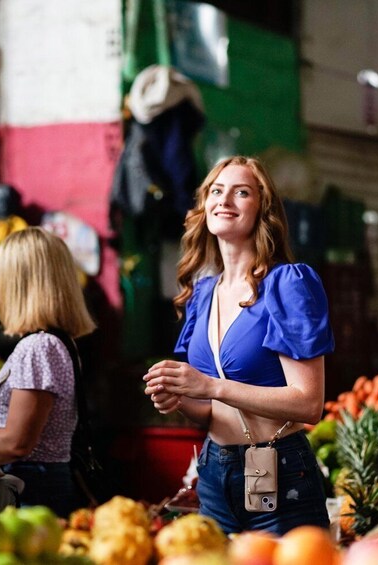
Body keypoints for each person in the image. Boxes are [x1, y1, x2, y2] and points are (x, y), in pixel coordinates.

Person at [143, 155, 334, 534]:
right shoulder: (202, 295)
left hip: (279, 473)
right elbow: (210, 409)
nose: (224, 199)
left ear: (263, 209)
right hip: (214, 472)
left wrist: (211, 386)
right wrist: (180, 399)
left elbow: (309, 403)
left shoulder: (286, 284)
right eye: (216, 191)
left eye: (241, 192)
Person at [0, 227, 96, 517]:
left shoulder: (38, 348)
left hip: (30, 491)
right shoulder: (55, 343)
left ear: (16, 284)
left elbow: (17, 442)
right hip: (36, 486)